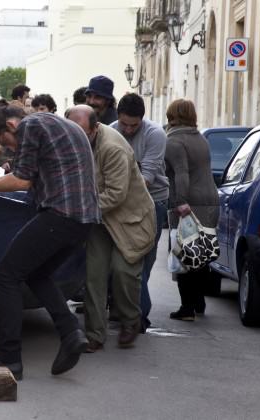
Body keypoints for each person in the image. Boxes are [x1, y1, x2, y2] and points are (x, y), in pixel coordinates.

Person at [0, 102, 101, 379]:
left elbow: (22, 180)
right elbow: (44, 173)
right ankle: (71, 332)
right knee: (36, 274)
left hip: (61, 213)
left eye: (4, 142)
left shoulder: (31, 125)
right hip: (85, 219)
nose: (10, 147)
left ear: (11, 126)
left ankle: (10, 358)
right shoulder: (64, 124)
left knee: (6, 275)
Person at [66, 105, 155, 352]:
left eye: (82, 132)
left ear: (95, 128)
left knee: (123, 272)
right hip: (99, 220)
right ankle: (95, 334)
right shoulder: (75, 140)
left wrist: (78, 207)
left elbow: (116, 195)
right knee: (94, 276)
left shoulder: (112, 148)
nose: (77, 138)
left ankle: (130, 321)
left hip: (130, 220)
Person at [111, 93, 169, 331]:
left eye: (133, 125)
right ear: (118, 117)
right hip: (123, 203)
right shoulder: (112, 131)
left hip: (152, 202)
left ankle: (132, 309)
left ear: (142, 120)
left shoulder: (155, 134)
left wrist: (114, 188)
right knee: (130, 259)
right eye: (124, 123)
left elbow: (146, 178)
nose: (128, 129)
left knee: (145, 259)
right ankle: (138, 315)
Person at [164, 99, 219, 321]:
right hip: (210, 199)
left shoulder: (174, 141)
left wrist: (180, 201)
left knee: (184, 253)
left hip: (189, 203)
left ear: (171, 117)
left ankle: (187, 308)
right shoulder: (201, 139)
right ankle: (199, 302)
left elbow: (181, 174)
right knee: (201, 252)